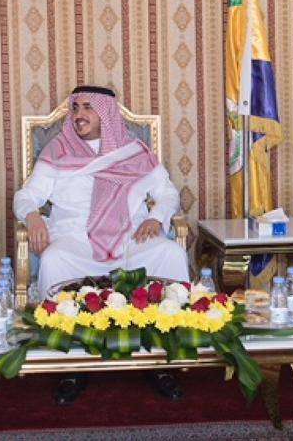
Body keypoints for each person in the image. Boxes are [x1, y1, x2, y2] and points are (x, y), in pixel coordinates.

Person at [14, 85, 189, 404]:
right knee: (54, 260)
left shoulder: (134, 151)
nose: (78, 115)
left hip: (130, 236)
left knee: (171, 254)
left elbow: (167, 193)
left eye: (87, 108)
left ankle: (162, 359)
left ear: (105, 113)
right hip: (76, 237)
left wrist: (157, 217)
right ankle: (71, 363)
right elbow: (27, 195)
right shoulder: (58, 150)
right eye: (75, 108)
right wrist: (33, 216)